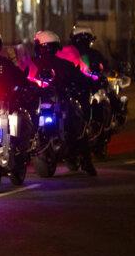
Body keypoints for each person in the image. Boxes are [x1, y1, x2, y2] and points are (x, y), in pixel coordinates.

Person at [33, 30, 97, 176]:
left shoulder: (34, 63)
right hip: (48, 105)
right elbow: (81, 79)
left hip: (48, 104)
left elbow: (80, 79)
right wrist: (92, 83)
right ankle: (86, 162)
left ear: (38, 46)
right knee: (79, 126)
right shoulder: (64, 64)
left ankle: (85, 161)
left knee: (77, 122)